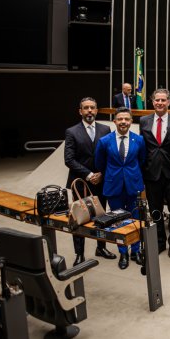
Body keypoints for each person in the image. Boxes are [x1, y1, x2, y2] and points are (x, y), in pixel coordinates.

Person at [63, 97, 115, 265]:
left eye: (92, 107)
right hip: (80, 182)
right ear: (80, 111)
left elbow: (109, 155)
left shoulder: (106, 129)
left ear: (97, 110)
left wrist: (100, 174)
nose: (90, 111)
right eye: (86, 108)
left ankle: (101, 247)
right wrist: (89, 175)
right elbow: (69, 159)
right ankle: (80, 254)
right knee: (79, 218)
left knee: (101, 215)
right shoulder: (72, 132)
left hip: (101, 180)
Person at [94, 108, 146, 269]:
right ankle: (123, 252)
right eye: (120, 119)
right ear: (114, 121)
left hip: (133, 185)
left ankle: (135, 251)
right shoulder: (104, 141)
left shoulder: (139, 140)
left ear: (131, 121)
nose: (123, 122)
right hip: (113, 186)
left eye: (127, 119)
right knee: (117, 221)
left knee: (135, 219)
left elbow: (142, 161)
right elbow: (99, 163)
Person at [140, 88, 170, 257]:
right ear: (152, 102)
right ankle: (160, 242)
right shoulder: (144, 121)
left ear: (168, 102)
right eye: (156, 100)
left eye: (163, 100)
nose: (159, 103)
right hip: (151, 173)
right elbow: (143, 146)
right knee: (155, 210)